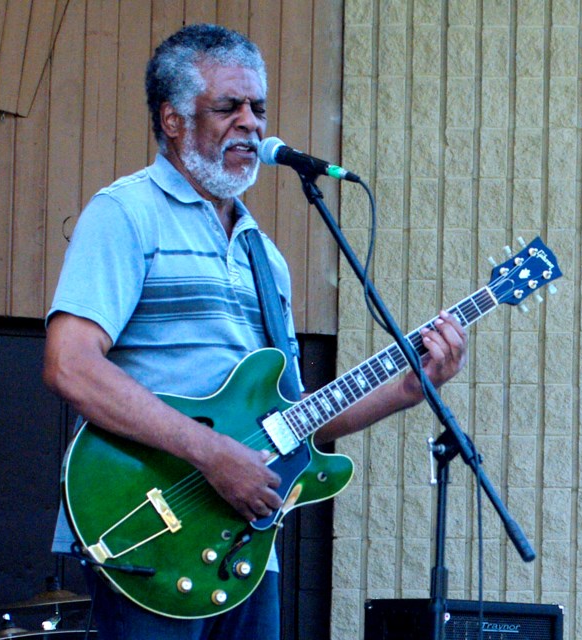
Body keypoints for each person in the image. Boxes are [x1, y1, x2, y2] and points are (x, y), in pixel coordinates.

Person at [42, 23, 468, 640]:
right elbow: (70, 366)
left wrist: (410, 387)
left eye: (258, 108)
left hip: (243, 545)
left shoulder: (264, 258)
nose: (251, 123)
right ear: (173, 121)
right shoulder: (125, 214)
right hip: (147, 527)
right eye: (228, 107)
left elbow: (296, 417)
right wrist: (212, 454)